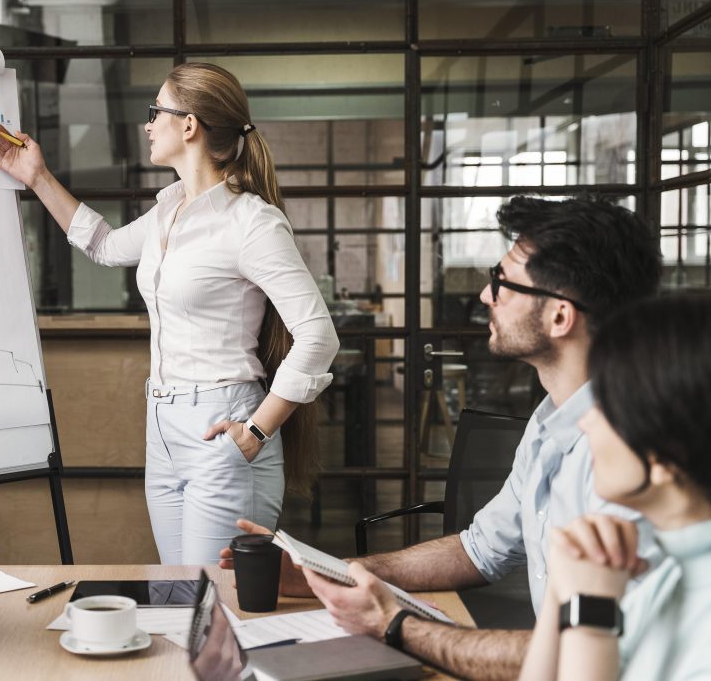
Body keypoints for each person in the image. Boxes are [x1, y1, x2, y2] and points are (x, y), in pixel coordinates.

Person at [221, 195, 664, 679]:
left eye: (502, 283)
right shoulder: (548, 422)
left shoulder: (634, 461)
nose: (485, 296)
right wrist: (322, 573)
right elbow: (478, 549)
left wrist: (396, 626)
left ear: (560, 316)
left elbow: (592, 655)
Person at [0, 63, 339, 565]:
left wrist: (257, 431)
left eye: (156, 112)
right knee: (182, 594)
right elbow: (104, 245)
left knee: (216, 603)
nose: (147, 125)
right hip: (163, 426)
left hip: (223, 423)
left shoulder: (250, 222)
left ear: (189, 124)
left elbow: (318, 337)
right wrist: (36, 176)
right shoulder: (167, 213)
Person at [519, 293, 711, 680]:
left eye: (605, 403)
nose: (586, 422)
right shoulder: (668, 574)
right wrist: (563, 583)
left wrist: (588, 610)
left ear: (662, 456)